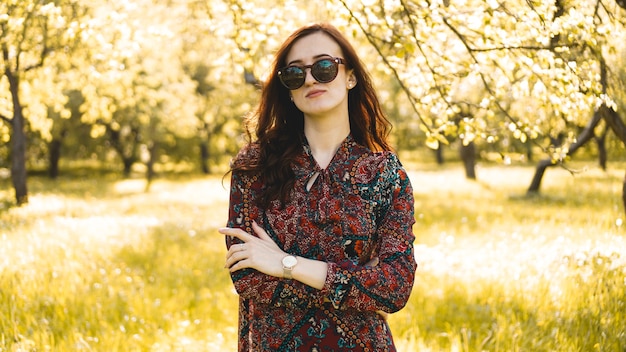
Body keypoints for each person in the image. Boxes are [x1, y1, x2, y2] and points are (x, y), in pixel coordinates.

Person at [219, 22, 417, 352]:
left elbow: (394, 287)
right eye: (295, 74)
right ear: (289, 89)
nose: (310, 78)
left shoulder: (385, 174)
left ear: (350, 76)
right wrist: (356, 281)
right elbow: (248, 277)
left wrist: (285, 264)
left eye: (324, 67)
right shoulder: (255, 166)